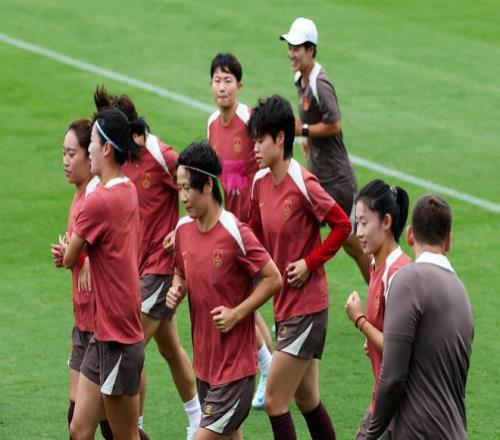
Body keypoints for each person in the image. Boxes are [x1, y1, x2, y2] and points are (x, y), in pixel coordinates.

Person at [94, 86, 201, 438]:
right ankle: (198, 421)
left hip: (159, 269)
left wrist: (180, 229)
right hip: (137, 270)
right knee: (170, 349)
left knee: (131, 347)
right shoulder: (118, 161)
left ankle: (134, 428)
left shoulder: (161, 154)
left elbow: (197, 188)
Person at [247, 95, 352, 440]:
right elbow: (253, 238)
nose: (254, 148)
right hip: (284, 306)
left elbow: (342, 226)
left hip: (308, 307)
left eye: (260, 139)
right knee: (307, 400)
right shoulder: (259, 184)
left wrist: (309, 263)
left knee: (275, 401)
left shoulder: (304, 183)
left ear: (280, 139)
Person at [166, 141, 282, 440]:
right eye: (179, 189)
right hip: (205, 369)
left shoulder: (235, 233)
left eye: (187, 188)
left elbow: (273, 278)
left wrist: (237, 314)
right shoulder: (182, 230)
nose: (183, 198)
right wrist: (177, 289)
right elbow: (180, 272)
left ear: (207, 186)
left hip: (235, 373)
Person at [61, 108, 146, 440]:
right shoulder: (128, 189)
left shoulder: (98, 202)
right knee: (80, 428)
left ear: (107, 148)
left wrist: (69, 250)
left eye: (93, 142)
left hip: (118, 338)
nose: (90, 149)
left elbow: (70, 257)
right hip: (104, 333)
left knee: (125, 436)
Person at [364, 195, 474, 439]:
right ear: (449, 241)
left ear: (410, 234)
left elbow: (393, 376)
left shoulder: (408, 280)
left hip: (418, 432)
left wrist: (370, 434)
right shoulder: (462, 293)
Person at [280, 17, 371, 284]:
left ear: (311, 50)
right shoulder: (300, 78)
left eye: (297, 48)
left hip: (337, 179)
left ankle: (383, 296)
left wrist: (305, 131)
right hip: (319, 175)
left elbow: (334, 124)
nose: (291, 53)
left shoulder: (320, 83)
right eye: (289, 47)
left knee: (354, 245)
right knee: (302, 232)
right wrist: (309, 139)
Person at [207, 53, 273, 409]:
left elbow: (265, 165)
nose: (222, 87)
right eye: (217, 80)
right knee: (243, 298)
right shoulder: (211, 124)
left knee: (243, 299)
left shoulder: (248, 121)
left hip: (250, 226)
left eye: (228, 80)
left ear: (240, 86)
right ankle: (269, 367)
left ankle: (267, 367)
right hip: (227, 225)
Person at [50, 118, 114, 438]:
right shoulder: (79, 196)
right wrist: (71, 256)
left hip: (101, 326)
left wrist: (87, 258)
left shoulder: (95, 198)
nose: (65, 160)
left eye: (72, 153)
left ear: (90, 157)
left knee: (102, 423)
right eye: (63, 153)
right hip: (83, 322)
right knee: (88, 418)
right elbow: (78, 253)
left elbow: (113, 249)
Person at [343, 179, 411, 439]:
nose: (358, 232)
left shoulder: (397, 273)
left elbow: (395, 347)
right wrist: (371, 340)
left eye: (364, 223)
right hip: (385, 398)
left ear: (386, 221)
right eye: (357, 223)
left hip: (398, 405)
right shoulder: (376, 265)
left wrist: (359, 320)